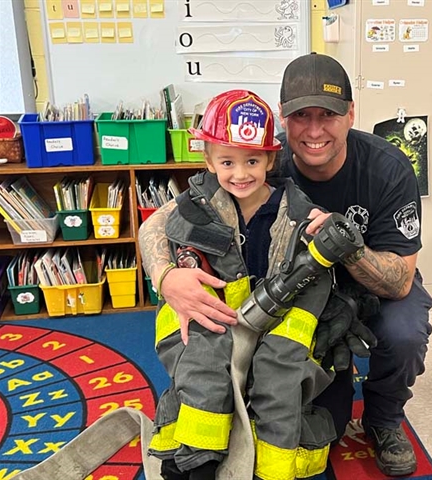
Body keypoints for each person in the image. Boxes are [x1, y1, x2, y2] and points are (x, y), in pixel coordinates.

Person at [140, 53, 432, 477]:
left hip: (371, 280)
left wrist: (346, 246)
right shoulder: (257, 156)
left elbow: (399, 281)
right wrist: (167, 276)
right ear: (284, 118)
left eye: (328, 115)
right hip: (295, 289)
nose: (314, 130)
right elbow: (159, 222)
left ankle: (383, 420)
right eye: (301, 116)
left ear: (352, 113)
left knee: (403, 332)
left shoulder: (388, 167)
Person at [146, 89, 346, 480]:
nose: (241, 174)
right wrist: (170, 276)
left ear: (271, 158)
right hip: (213, 315)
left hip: (281, 320)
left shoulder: (299, 211)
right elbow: (173, 251)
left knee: (279, 379)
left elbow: (315, 275)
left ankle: (272, 469)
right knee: (203, 365)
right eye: (227, 162)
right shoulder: (194, 209)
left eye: (252, 160)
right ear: (208, 161)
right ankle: (194, 459)